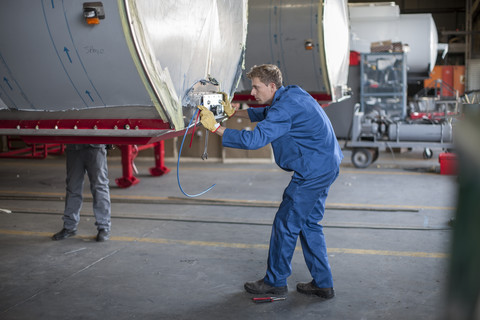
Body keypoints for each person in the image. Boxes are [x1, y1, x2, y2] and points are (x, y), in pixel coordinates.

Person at [198, 64, 343, 298]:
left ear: (272, 85)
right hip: (327, 164)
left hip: (313, 171)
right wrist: (235, 112)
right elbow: (266, 113)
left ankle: (275, 281)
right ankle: (323, 284)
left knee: (286, 223)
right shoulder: (293, 94)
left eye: (256, 88)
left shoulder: (284, 108)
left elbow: (254, 140)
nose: (252, 94)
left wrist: (216, 128)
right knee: (308, 224)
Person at [52, 144, 112, 242]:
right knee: (73, 187)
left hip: (95, 147)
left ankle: (104, 227)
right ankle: (69, 227)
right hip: (74, 147)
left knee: (99, 187)